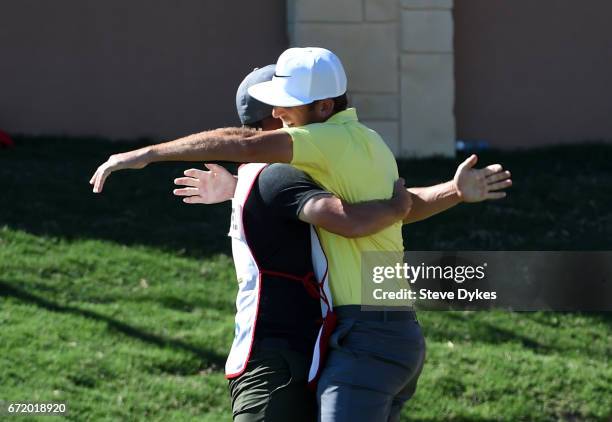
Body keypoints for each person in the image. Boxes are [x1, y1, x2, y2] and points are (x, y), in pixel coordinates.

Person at [90, 47, 512, 421]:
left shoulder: (319, 142)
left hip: (363, 336)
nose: (281, 116)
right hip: (394, 331)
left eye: (287, 107)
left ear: (325, 107)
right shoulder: (370, 142)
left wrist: (145, 155)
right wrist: (452, 192)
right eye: (274, 109)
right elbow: (397, 207)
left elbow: (246, 148)